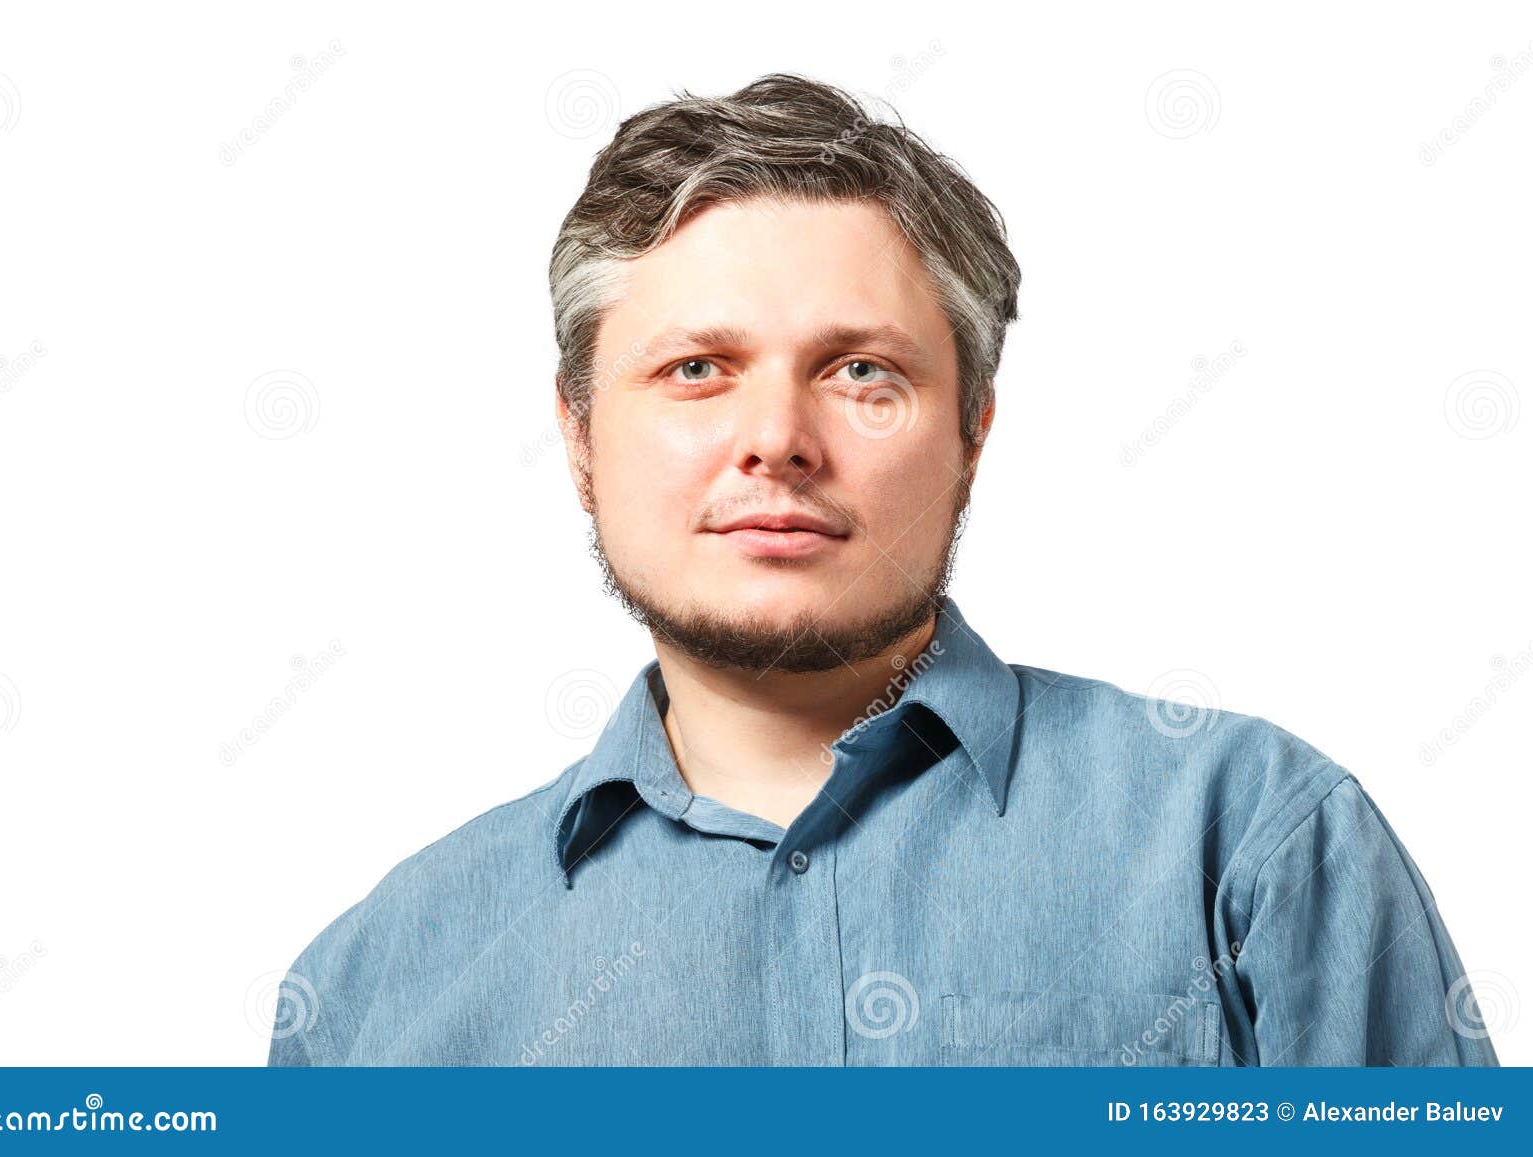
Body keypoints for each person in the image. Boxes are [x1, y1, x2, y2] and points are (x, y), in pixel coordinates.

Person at [267, 73, 1498, 1067]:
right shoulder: (372, 995)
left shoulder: (1250, 844)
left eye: (862, 371)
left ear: (973, 430)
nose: (777, 438)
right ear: (581, 431)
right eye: (697, 367)